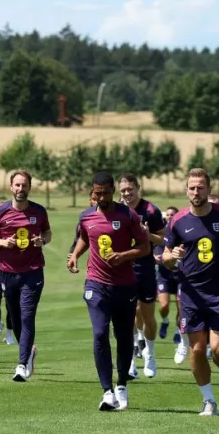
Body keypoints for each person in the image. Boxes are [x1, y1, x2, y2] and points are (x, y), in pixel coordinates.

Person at [162, 168, 219, 415]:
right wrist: (172, 256)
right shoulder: (178, 221)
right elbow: (166, 255)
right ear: (186, 191)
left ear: (209, 190)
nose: (196, 191)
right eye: (192, 187)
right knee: (198, 349)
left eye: (201, 187)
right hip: (190, 293)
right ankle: (208, 400)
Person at [67, 171, 149, 410]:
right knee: (100, 333)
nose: (101, 197)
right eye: (96, 193)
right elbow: (85, 237)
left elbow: (144, 247)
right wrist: (74, 255)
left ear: (113, 191)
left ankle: (122, 384)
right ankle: (106, 391)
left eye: (105, 193)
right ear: (92, 192)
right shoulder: (86, 217)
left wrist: (123, 256)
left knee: (123, 336)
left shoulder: (127, 215)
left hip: (125, 285)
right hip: (96, 283)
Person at [0, 171, 52, 382]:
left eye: (25, 185)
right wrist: (3, 243)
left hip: (33, 271)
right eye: (17, 185)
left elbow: (48, 233)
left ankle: (21, 364)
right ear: (11, 187)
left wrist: (43, 241)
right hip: (8, 272)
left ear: (30, 187)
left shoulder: (39, 211)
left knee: (27, 315)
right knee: (16, 318)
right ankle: (29, 352)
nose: (21, 189)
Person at [118, 173, 166, 379]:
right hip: (122, 270)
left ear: (138, 188)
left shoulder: (151, 211)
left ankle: (150, 354)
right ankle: (129, 362)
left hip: (144, 269)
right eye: (123, 190)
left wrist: (148, 236)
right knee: (126, 317)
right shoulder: (115, 210)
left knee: (147, 316)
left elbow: (164, 239)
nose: (127, 193)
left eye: (130, 189)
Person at [155, 206, 187, 363]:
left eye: (172, 214)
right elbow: (155, 250)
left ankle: (176, 330)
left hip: (180, 275)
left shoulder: (181, 231)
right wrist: (157, 257)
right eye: (167, 215)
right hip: (164, 275)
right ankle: (165, 321)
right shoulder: (161, 233)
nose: (169, 217)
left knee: (182, 309)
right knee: (163, 306)